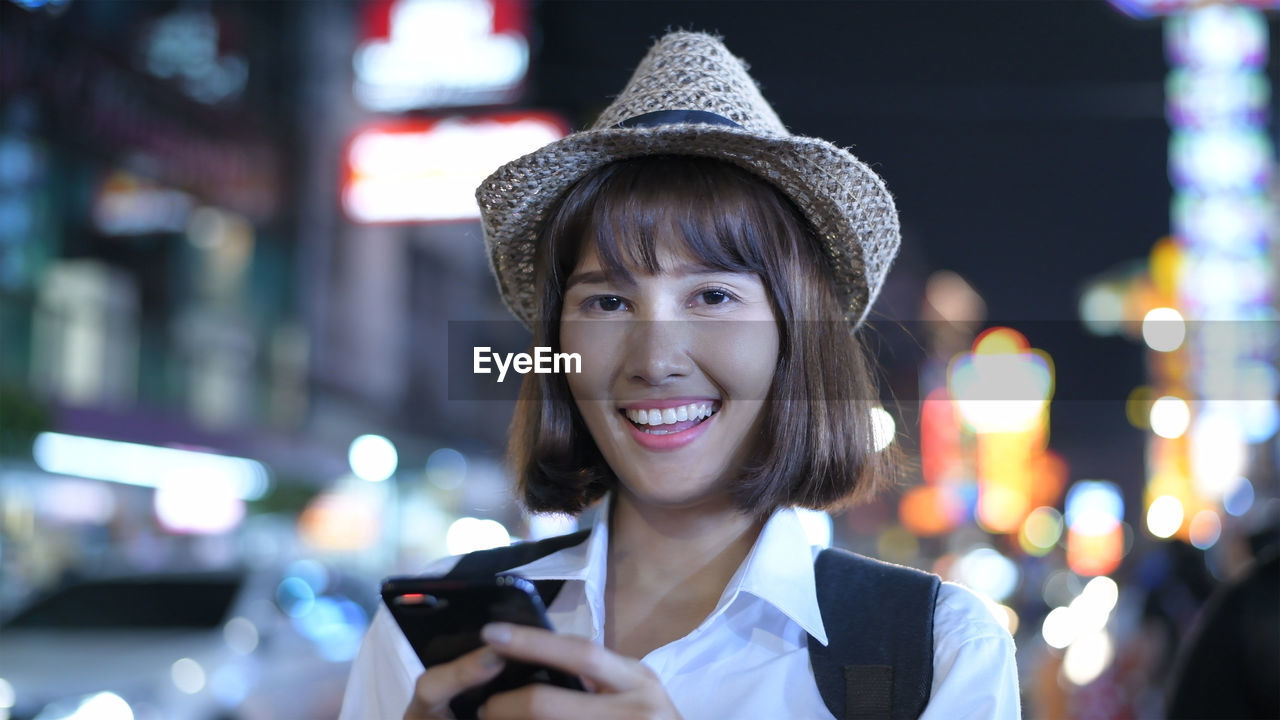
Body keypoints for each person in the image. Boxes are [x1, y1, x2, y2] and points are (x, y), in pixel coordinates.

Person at [340, 31, 1019, 720]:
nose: (655, 359)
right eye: (606, 302)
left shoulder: (935, 648)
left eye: (713, 297)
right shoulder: (429, 638)